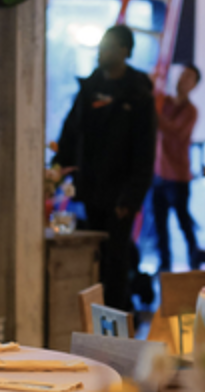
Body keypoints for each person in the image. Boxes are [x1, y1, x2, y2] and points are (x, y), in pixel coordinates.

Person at [55, 24, 157, 312]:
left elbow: (145, 151)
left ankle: (116, 324)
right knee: (92, 259)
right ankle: (92, 319)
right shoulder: (89, 90)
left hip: (121, 195)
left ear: (124, 52)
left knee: (116, 260)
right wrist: (58, 169)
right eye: (100, 47)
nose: (101, 53)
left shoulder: (138, 95)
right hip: (89, 190)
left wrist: (131, 197)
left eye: (108, 47)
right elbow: (70, 132)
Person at [151, 64, 205, 275]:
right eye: (182, 76)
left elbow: (174, 132)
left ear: (194, 85)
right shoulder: (163, 102)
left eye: (189, 78)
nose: (182, 80)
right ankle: (164, 266)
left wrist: (154, 109)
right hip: (158, 173)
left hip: (178, 176)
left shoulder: (190, 111)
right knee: (160, 226)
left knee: (183, 222)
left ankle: (193, 263)